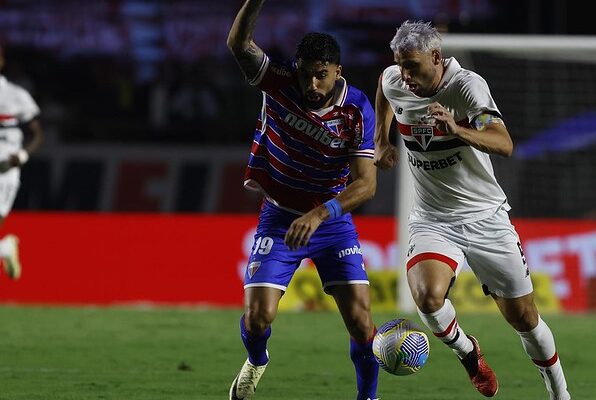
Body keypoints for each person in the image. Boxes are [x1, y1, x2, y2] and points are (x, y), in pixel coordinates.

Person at [374, 21, 570, 399]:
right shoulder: (395, 80)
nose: (405, 75)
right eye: (400, 64)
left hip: (485, 219)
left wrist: (456, 128)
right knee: (428, 298)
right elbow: (384, 92)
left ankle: (560, 393)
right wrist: (381, 141)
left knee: (525, 319)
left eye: (412, 65)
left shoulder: (467, 88)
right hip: (433, 218)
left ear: (436, 57)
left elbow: (504, 143)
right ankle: (468, 354)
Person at [226, 1, 380, 399]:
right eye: (307, 75)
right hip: (279, 217)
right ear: (296, 68)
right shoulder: (277, 81)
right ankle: (257, 360)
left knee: (362, 322)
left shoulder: (358, 109)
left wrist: (318, 215)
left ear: (337, 72)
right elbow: (238, 43)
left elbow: (365, 185)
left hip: (330, 221)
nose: (313, 85)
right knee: (258, 317)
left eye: (322, 76)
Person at [0, 45, 44, 280]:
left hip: (4, 171)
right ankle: (4, 248)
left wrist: (23, 155)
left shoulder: (16, 95)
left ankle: (5, 248)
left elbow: (37, 134)